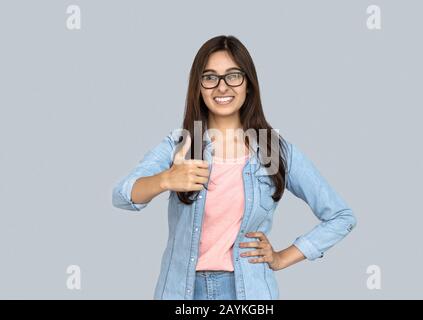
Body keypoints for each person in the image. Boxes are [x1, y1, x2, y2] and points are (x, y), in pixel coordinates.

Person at [112, 35, 357, 300]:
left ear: (249, 84)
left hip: (248, 293)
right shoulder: (182, 145)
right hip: (181, 292)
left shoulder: (272, 149)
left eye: (233, 76)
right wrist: (166, 180)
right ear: (198, 87)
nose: (221, 87)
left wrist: (281, 258)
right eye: (210, 77)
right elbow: (123, 196)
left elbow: (341, 216)